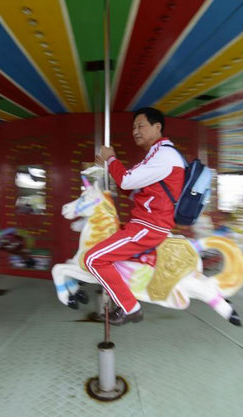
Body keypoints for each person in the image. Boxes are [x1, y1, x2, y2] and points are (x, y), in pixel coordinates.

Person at [85, 107, 185, 326]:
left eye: (141, 126)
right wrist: (109, 166)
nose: (135, 131)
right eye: (133, 127)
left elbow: (127, 181)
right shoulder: (155, 155)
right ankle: (123, 295)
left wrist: (111, 159)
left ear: (157, 127)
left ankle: (131, 307)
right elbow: (131, 187)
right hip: (143, 222)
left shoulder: (165, 155)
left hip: (149, 225)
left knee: (93, 259)